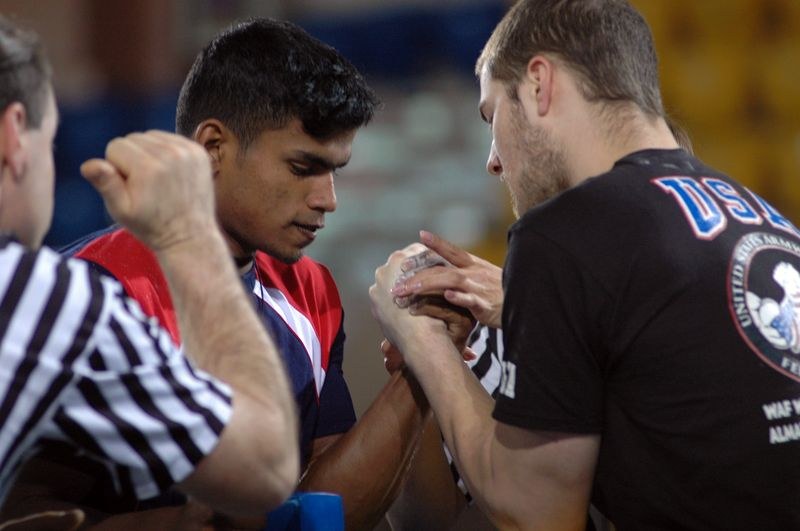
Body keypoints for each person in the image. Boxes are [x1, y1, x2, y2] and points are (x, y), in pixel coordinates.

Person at [370, 0, 800, 529]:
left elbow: (537, 512)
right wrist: (535, 310)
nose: (493, 160)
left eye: (492, 115)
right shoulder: (766, 218)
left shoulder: (565, 233)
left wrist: (423, 342)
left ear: (538, 84)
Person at [5, 18, 430, 531]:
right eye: (303, 168)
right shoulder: (87, 294)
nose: (328, 199)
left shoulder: (312, 290)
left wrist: (421, 366)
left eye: (334, 170)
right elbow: (21, 514)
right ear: (212, 149)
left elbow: (326, 512)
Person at [0, 13, 298, 528]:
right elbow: (264, 468)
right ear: (14, 139)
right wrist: (189, 233)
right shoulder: (45, 297)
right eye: (50, 143)